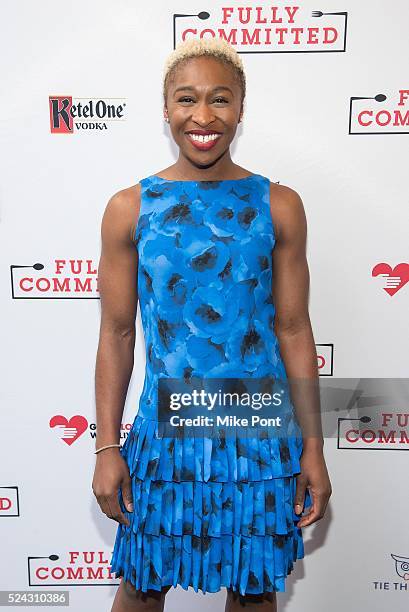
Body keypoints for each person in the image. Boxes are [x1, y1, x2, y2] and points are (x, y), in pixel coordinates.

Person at [92, 37, 332, 612]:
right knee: (142, 588)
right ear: (166, 110)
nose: (203, 117)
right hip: (164, 437)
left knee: (254, 595)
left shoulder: (279, 205)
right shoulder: (130, 207)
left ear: (241, 109)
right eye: (186, 99)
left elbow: (295, 329)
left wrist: (314, 447)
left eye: (220, 100)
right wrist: (105, 447)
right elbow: (117, 334)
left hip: (259, 438)